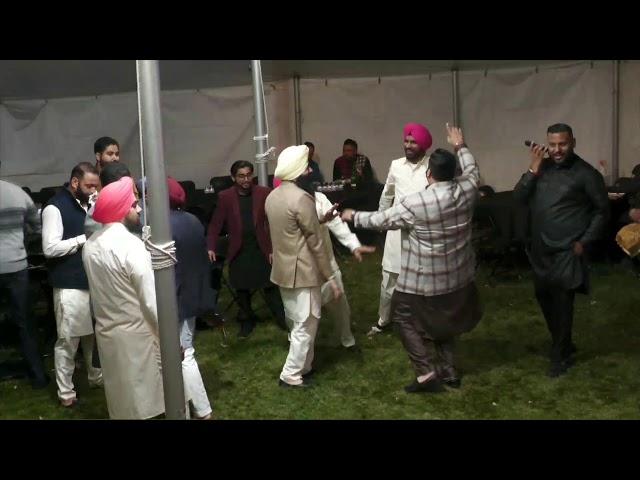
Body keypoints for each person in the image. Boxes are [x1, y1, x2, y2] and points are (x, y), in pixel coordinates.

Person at [342, 124, 482, 393]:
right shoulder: (467, 189)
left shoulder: (415, 204)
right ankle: (450, 373)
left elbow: (380, 220)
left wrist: (352, 215)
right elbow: (472, 169)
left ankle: (426, 374)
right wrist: (460, 145)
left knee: (403, 319)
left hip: (424, 282)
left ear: (429, 174)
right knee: (445, 323)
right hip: (457, 278)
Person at [513, 123, 609, 377]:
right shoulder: (541, 169)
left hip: (568, 249)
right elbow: (519, 197)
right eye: (552, 144)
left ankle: (560, 356)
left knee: (563, 302)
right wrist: (533, 167)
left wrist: (585, 241)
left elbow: (602, 211)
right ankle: (563, 342)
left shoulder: (586, 174)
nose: (557, 150)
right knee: (544, 298)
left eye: (562, 144)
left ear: (573, 142)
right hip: (541, 248)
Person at [82, 177, 164, 419]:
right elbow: (151, 301)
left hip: (108, 335)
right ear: (121, 208)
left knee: (121, 405)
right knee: (148, 405)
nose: (138, 208)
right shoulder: (131, 246)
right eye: (133, 204)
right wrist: (169, 337)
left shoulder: (90, 244)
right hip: (139, 337)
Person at [266, 145, 342, 388]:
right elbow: (315, 243)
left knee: (298, 321)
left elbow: (292, 229)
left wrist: (320, 219)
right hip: (304, 272)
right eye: (306, 166)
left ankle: (305, 367)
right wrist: (330, 276)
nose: (310, 169)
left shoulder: (272, 196)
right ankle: (290, 374)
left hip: (283, 270)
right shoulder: (302, 198)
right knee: (305, 326)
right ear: (298, 171)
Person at [273, 178, 376, 350]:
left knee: (340, 304)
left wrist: (353, 244)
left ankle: (347, 340)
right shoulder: (283, 202)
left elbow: (335, 223)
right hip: (300, 267)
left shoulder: (320, 198)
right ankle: (297, 346)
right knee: (298, 314)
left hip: (326, 262)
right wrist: (321, 219)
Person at [41, 162, 103, 407]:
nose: (93, 190)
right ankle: (66, 392)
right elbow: (49, 248)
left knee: (93, 336)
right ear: (75, 182)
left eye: (95, 186)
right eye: (89, 186)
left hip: (92, 281)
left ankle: (95, 377)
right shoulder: (54, 208)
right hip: (69, 284)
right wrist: (83, 239)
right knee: (69, 340)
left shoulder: (90, 203)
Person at [367, 123, 433, 337]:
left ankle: (422, 325)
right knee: (389, 280)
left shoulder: (432, 167)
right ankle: (383, 321)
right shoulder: (396, 165)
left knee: (423, 283)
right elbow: (387, 194)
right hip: (396, 232)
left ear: (423, 145)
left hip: (422, 234)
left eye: (413, 142)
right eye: (406, 141)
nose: (408, 145)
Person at [207, 161, 286, 337]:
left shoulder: (264, 193)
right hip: (239, 249)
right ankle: (246, 320)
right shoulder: (225, 197)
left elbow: (274, 221)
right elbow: (215, 224)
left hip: (262, 248)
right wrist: (211, 246)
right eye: (241, 176)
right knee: (242, 290)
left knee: (271, 287)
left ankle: (282, 319)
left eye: (249, 175)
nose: (246, 179)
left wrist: (274, 248)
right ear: (233, 178)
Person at [167, 177, 213, 419]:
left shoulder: (163, 226)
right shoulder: (192, 220)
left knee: (183, 355)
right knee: (185, 351)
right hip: (192, 295)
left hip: (173, 299)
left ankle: (200, 410)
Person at [0, 163, 49, 389]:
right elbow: (37, 229)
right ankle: (38, 376)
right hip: (17, 267)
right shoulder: (18, 194)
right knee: (25, 324)